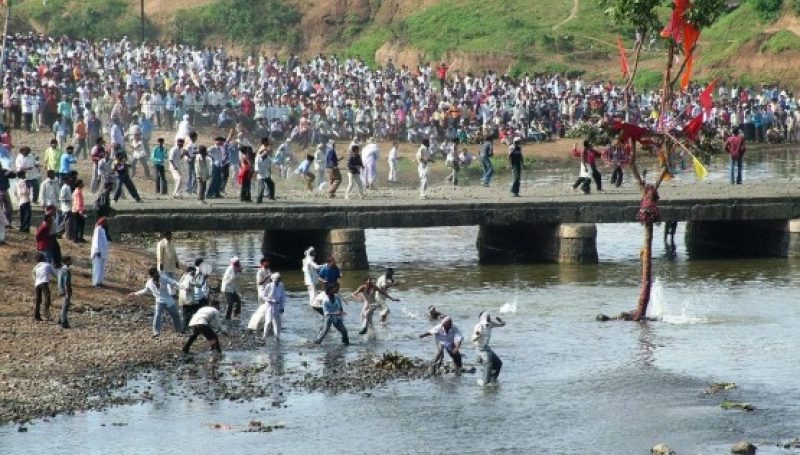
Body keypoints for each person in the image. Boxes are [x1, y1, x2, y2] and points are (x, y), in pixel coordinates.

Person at [128, 267, 183, 337]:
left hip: (166, 301)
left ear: (150, 275)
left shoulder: (160, 279)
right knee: (173, 315)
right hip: (163, 301)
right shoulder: (153, 281)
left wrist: (134, 293)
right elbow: (174, 282)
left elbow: (144, 291)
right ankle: (176, 331)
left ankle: (158, 332)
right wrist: (134, 293)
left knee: (159, 316)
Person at [471, 311, 506, 386]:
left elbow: (502, 325)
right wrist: (477, 336)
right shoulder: (479, 326)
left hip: (486, 348)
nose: (487, 324)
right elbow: (473, 338)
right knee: (488, 364)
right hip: (480, 348)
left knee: (498, 363)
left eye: (489, 318)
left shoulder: (490, 323)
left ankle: (493, 379)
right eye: (487, 319)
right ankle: (485, 383)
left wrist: (501, 321)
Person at [261, 272, 287, 340]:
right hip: (270, 306)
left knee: (278, 322)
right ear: (273, 280)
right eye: (276, 281)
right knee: (268, 321)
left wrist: (282, 307)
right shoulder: (269, 286)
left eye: (278, 280)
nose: (277, 282)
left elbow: (283, 297)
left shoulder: (281, 285)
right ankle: (264, 336)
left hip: (278, 306)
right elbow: (263, 295)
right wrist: (270, 300)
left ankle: (277, 336)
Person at [32, 252, 58, 321]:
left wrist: (35, 280)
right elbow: (55, 274)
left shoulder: (36, 267)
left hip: (37, 284)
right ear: (44, 258)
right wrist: (60, 280)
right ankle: (46, 313)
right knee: (47, 297)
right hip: (44, 282)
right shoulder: (47, 265)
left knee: (38, 300)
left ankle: (36, 315)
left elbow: (33, 273)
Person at [90, 217, 109, 287]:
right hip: (98, 252)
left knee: (101, 268)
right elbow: (96, 241)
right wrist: (97, 250)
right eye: (105, 222)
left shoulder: (103, 230)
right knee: (97, 268)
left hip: (103, 252)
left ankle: (100, 282)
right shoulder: (98, 229)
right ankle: (95, 283)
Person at [57, 256, 73, 328]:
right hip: (66, 290)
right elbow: (66, 282)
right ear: (66, 261)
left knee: (64, 305)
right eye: (70, 260)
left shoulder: (60, 269)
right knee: (65, 306)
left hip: (60, 289)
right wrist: (67, 292)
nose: (71, 261)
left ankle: (60, 319)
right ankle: (64, 322)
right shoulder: (66, 270)